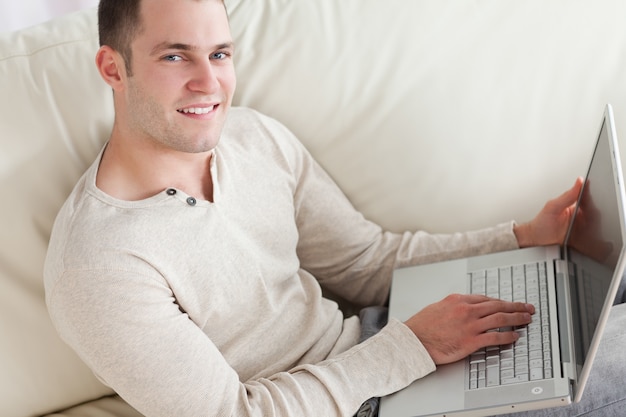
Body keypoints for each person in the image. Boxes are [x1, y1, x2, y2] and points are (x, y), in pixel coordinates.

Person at [43, 0, 626, 416]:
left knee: (594, 275)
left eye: (219, 53)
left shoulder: (251, 138)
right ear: (112, 68)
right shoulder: (98, 264)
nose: (209, 82)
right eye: (175, 57)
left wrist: (525, 236)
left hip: (384, 343)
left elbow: (368, 262)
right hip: (362, 398)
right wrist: (414, 347)